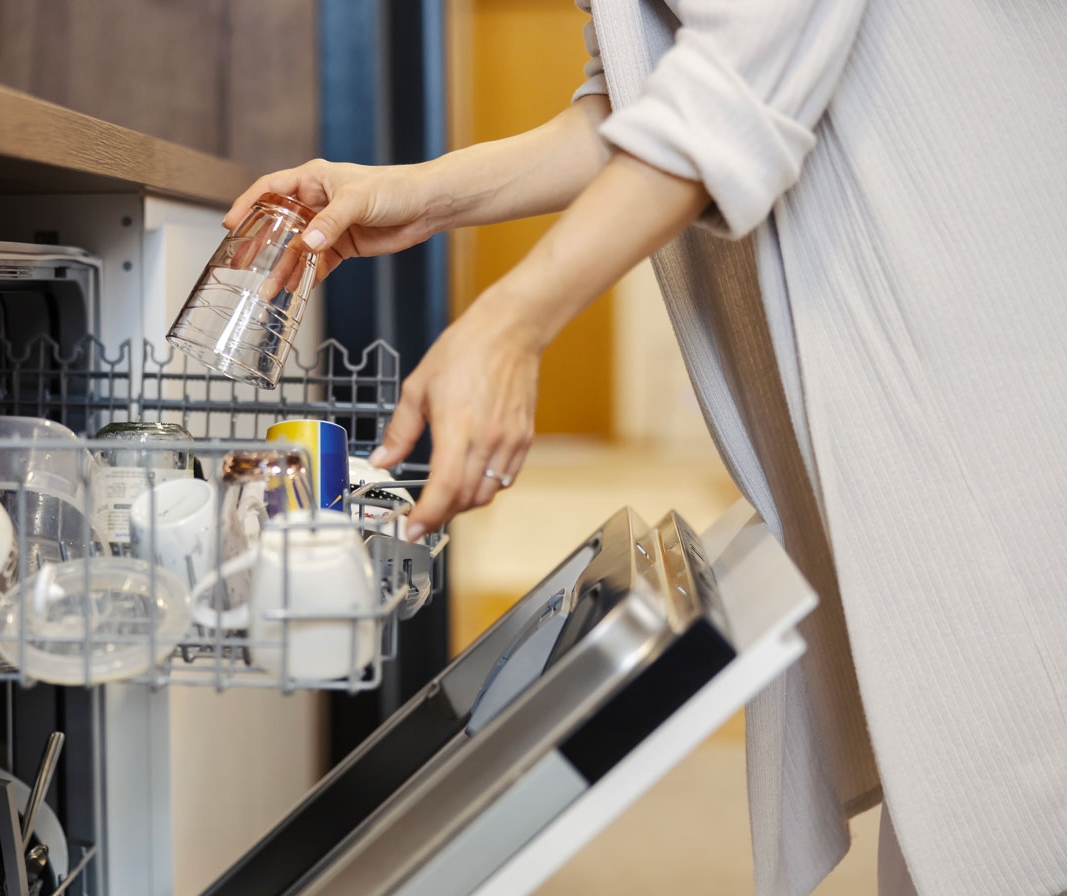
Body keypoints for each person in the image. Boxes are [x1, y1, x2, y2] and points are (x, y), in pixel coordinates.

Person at [225, 1, 1067, 894]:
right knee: (957, 782)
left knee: (1015, 784)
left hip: (997, 338)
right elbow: (632, 96)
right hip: (927, 365)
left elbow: (739, 75)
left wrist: (514, 321)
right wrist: (424, 192)